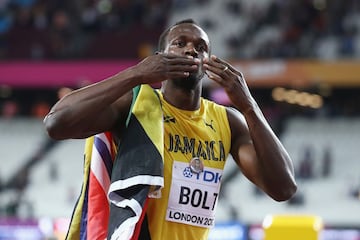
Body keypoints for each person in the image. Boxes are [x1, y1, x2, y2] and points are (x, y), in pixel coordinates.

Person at [44, 19, 297, 240]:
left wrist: (249, 106)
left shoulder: (227, 120)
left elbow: (283, 188)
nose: (191, 49)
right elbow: (56, 123)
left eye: (201, 48)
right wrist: (136, 74)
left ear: (207, 62)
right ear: (159, 56)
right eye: (180, 43)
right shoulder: (136, 106)